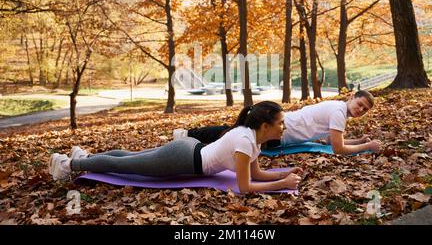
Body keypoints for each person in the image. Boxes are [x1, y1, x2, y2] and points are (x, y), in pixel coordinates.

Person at [48, 101, 303, 194]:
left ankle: (85, 157)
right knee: (124, 165)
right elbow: (245, 187)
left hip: (190, 149)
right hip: (182, 159)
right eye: (280, 123)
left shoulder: (252, 139)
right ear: (265, 124)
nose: (284, 127)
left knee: (129, 157)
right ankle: (68, 164)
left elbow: (256, 175)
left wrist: (284, 174)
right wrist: (281, 184)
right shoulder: (246, 141)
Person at [175, 90, 382, 155]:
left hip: (281, 129)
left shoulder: (339, 110)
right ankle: (188, 136)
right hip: (280, 129)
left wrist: (357, 140)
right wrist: (368, 146)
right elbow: (337, 148)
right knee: (232, 134)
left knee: (233, 134)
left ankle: (189, 138)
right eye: (360, 104)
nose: (361, 110)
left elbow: (332, 140)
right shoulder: (339, 112)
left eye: (365, 109)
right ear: (352, 97)